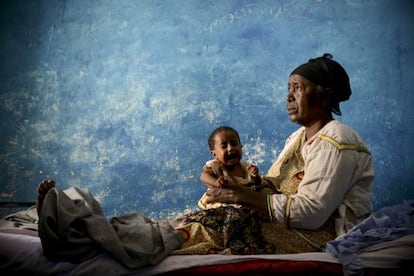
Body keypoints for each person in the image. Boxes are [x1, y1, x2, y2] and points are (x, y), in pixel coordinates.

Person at [172, 53, 374, 254]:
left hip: (317, 233)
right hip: (283, 220)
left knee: (224, 229)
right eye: (289, 88)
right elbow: (275, 185)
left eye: (298, 88)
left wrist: (242, 196)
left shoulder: (336, 140)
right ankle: (155, 239)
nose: (289, 96)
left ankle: (153, 244)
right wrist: (242, 189)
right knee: (202, 221)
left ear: (324, 96)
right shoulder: (298, 137)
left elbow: (312, 213)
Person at [191, 126, 275, 254]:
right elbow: (203, 176)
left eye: (234, 144)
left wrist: (255, 177)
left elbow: (256, 183)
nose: (230, 148)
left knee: (254, 211)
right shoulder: (216, 166)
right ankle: (230, 243)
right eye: (224, 146)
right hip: (223, 203)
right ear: (214, 153)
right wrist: (215, 182)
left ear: (241, 147)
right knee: (233, 218)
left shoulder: (245, 166)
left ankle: (250, 244)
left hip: (242, 201)